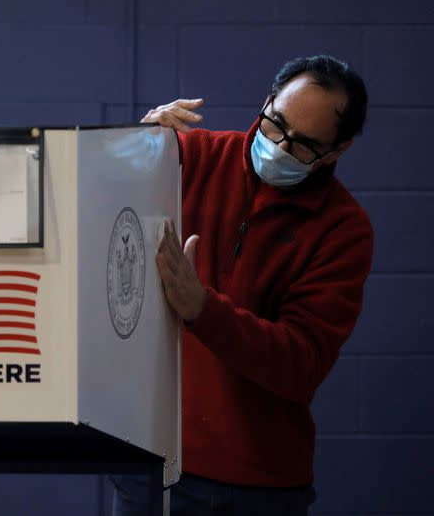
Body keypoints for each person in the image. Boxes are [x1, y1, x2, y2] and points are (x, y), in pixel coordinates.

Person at [114, 55, 373, 515]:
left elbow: (300, 364)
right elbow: (102, 231)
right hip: (155, 466)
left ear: (338, 151)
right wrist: (135, 148)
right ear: (267, 101)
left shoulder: (343, 230)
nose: (279, 146)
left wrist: (202, 309)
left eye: (304, 146)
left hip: (259, 484)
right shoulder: (188, 155)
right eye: (276, 124)